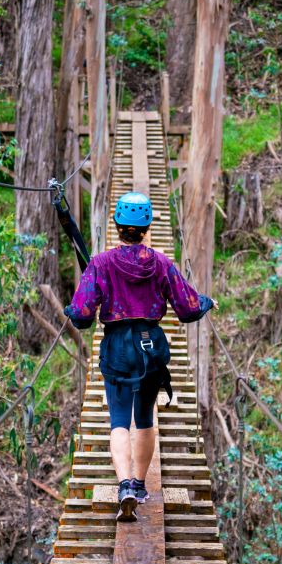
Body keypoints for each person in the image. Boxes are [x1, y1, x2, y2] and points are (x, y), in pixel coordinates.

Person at [65, 192, 214, 521]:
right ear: (146, 227)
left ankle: (123, 488)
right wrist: (206, 302)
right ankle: (139, 484)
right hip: (150, 347)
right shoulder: (160, 263)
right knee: (144, 419)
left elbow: (83, 314)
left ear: (118, 226)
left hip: (117, 347)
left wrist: (72, 311)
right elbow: (188, 308)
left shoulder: (101, 264)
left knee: (119, 420)